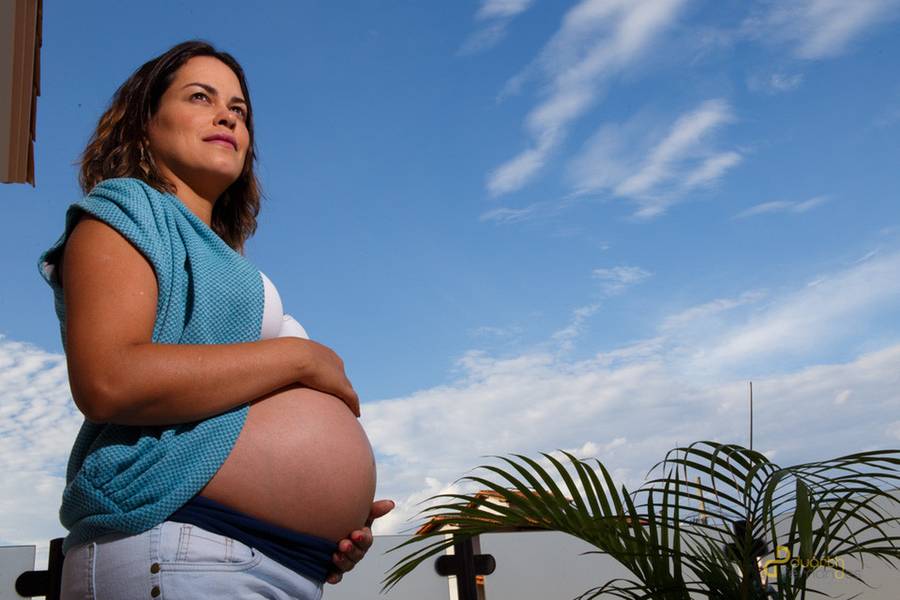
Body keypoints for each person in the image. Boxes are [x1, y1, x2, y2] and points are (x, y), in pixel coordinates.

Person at [38, 40, 394, 599]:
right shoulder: (123, 209)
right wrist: (302, 358)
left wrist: (330, 522)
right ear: (145, 124)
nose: (227, 114)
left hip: (277, 562)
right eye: (200, 96)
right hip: (179, 543)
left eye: (239, 109)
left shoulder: (224, 262)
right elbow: (110, 379)